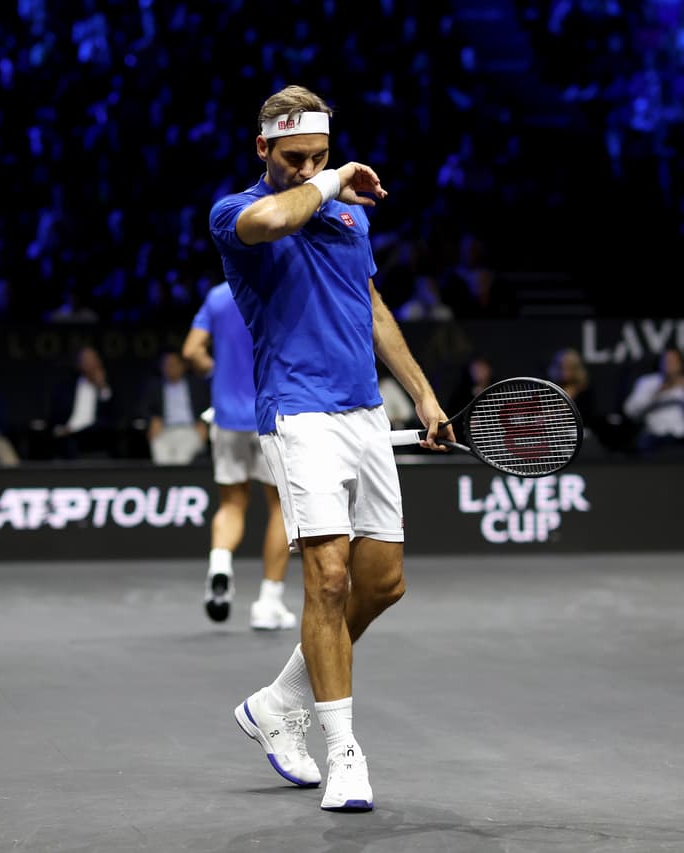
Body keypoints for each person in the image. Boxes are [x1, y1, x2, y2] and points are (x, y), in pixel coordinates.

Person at [207, 84, 451, 812]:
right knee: (330, 578)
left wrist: (425, 392)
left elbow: (371, 307)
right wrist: (332, 176)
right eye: (293, 157)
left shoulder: (348, 215)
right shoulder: (237, 212)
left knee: (382, 584)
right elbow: (275, 216)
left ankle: (277, 700)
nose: (306, 166)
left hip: (367, 412)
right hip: (298, 410)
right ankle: (344, 751)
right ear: (263, 149)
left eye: (318, 153)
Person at [182, 283, 295, 630]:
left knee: (232, 503)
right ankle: (268, 603)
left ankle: (220, 565)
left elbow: (191, 351)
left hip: (227, 417)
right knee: (279, 506)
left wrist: (219, 375)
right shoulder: (279, 290)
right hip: (270, 414)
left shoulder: (217, 296)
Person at [622, 346, 684, 454]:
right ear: (660, 363)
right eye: (666, 361)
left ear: (681, 364)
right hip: (654, 434)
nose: (669, 365)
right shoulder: (647, 382)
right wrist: (657, 394)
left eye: (673, 361)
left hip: (683, 434)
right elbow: (630, 411)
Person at [140, 350, 209, 466]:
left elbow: (210, 406)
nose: (169, 368)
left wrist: (203, 422)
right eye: (166, 365)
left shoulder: (196, 385)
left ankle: (181, 483)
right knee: (161, 456)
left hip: (190, 429)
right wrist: (153, 419)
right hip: (164, 430)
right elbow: (142, 408)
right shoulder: (155, 387)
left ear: (182, 366)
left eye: (173, 364)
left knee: (181, 460)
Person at [49, 345, 118, 459]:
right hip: (69, 437)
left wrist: (102, 388)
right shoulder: (66, 387)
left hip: (96, 437)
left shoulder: (108, 388)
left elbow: (113, 416)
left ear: (99, 362)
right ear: (78, 364)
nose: (89, 364)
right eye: (85, 360)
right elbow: (55, 415)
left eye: (92, 360)